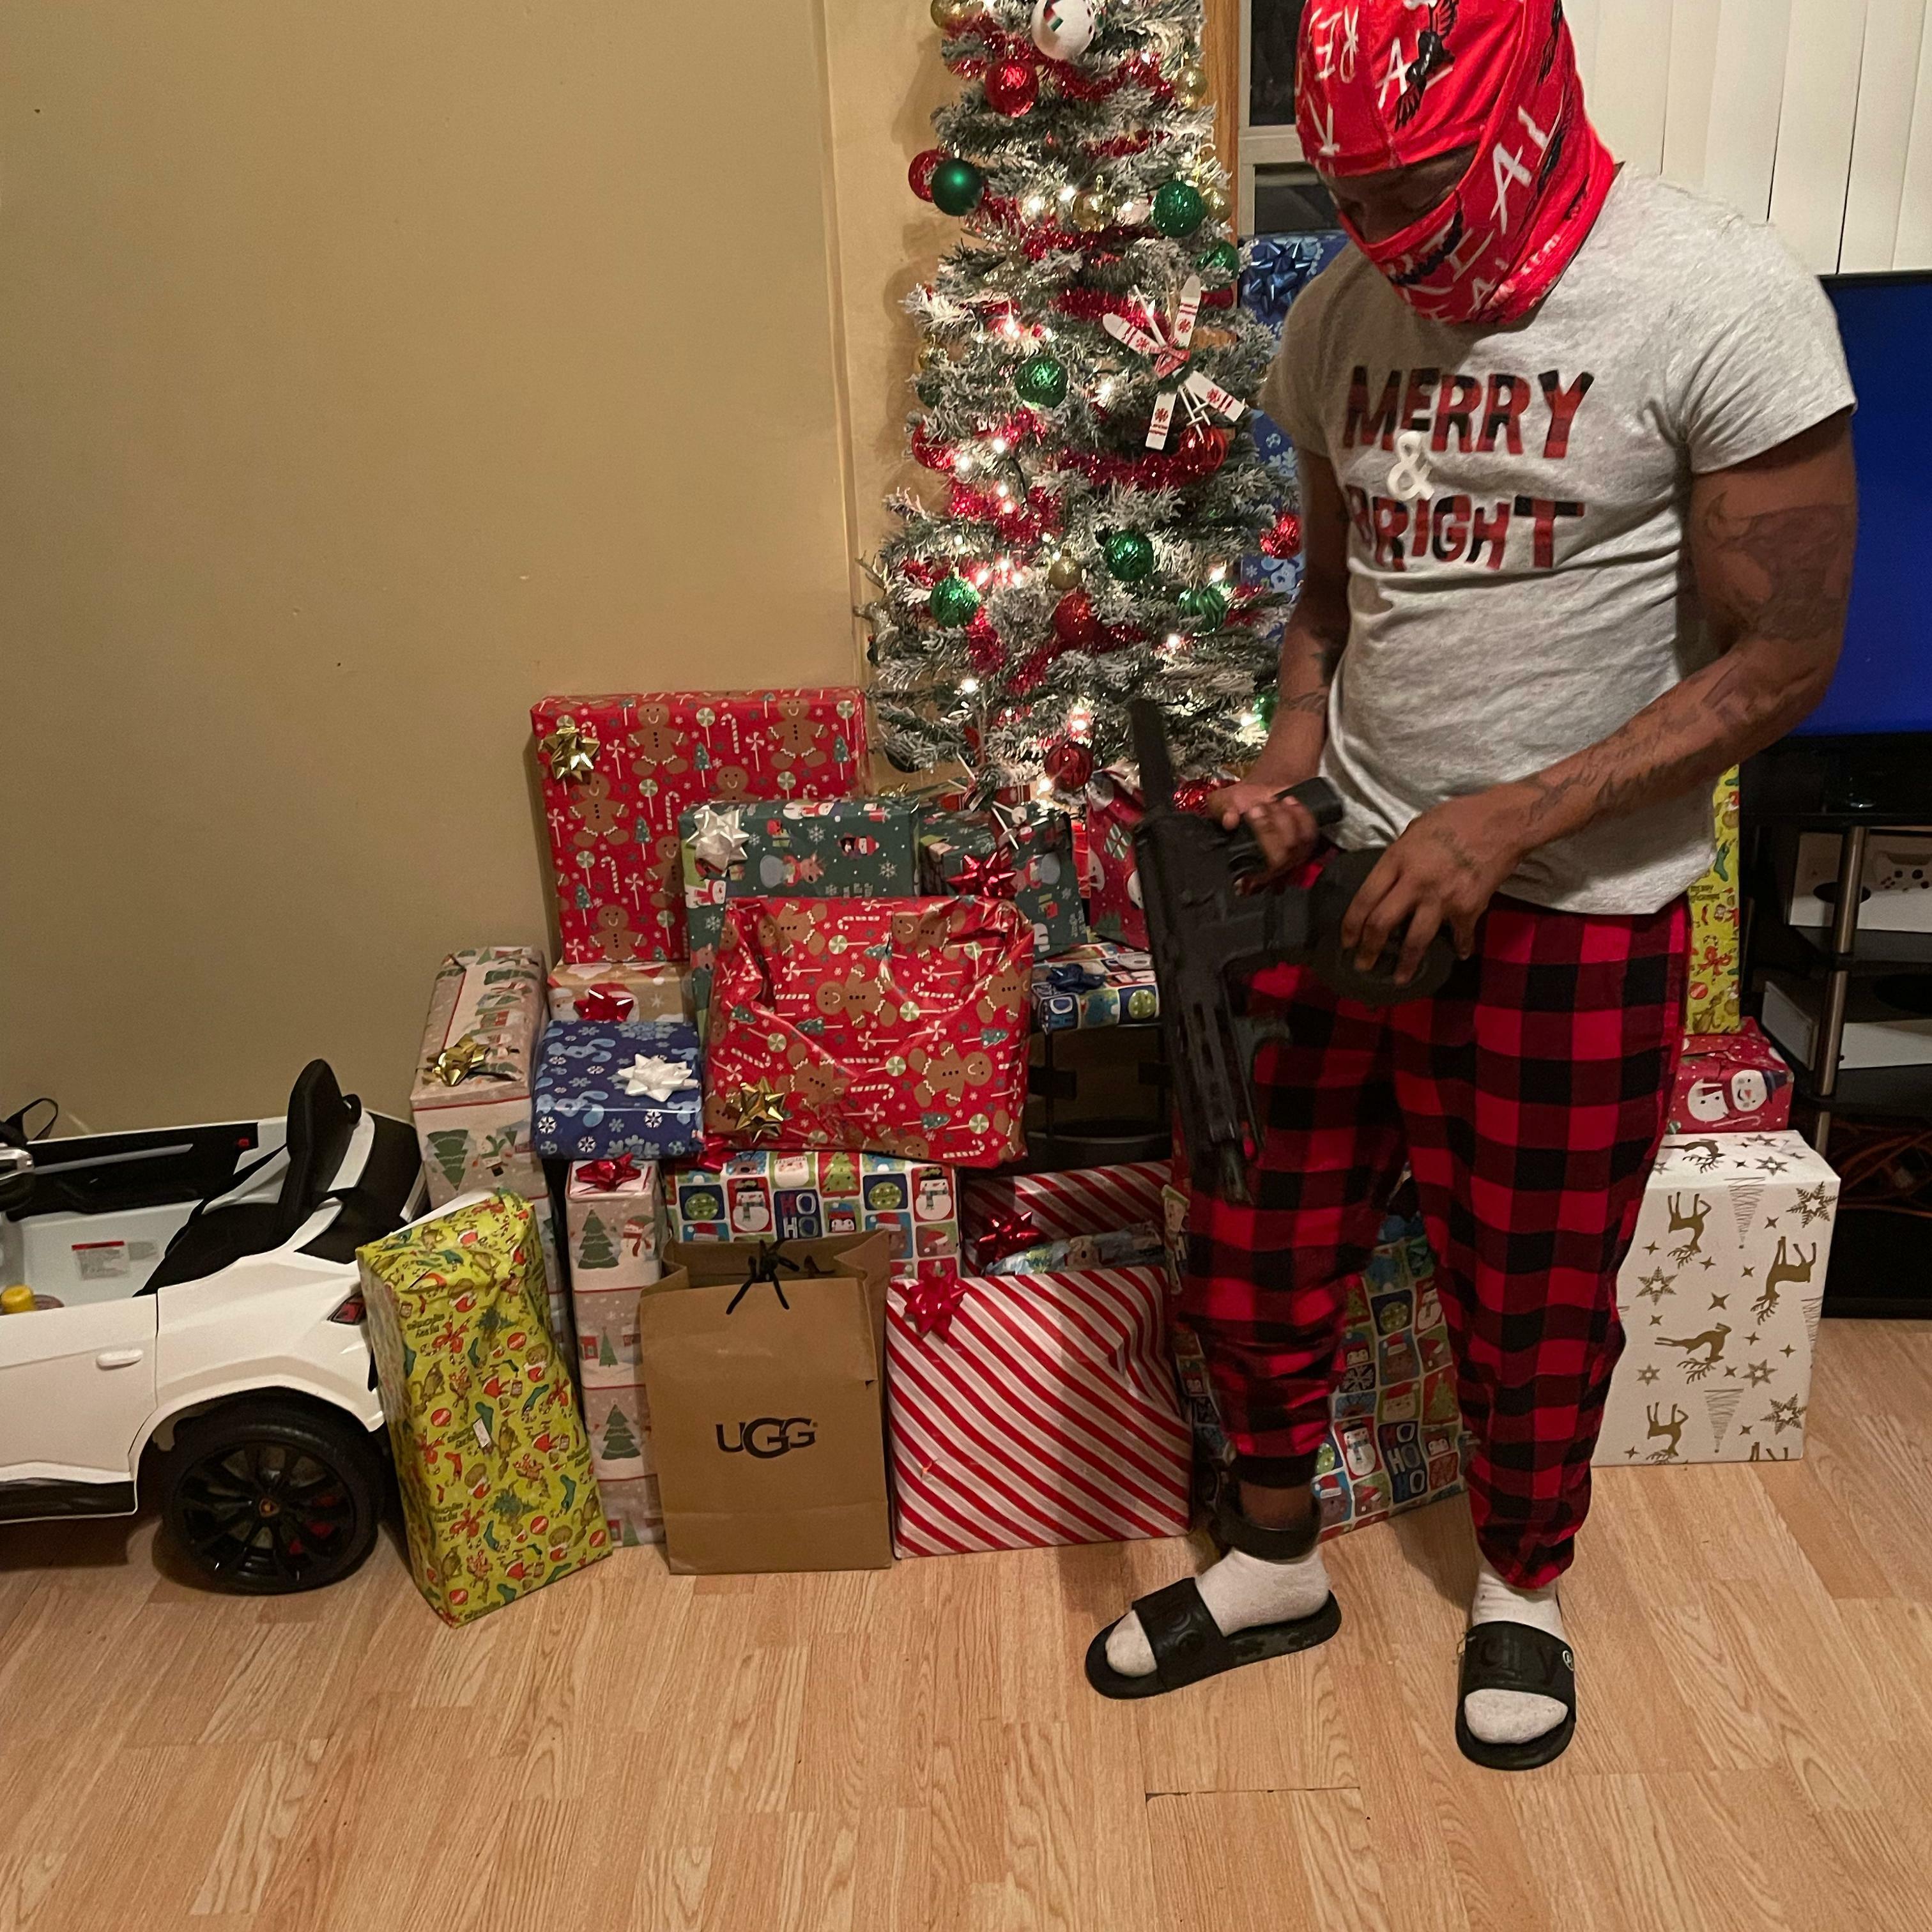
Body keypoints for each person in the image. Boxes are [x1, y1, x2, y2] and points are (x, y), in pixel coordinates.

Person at [1085, 0, 1858, 1770]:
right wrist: (1290, 760)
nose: (1376, 234)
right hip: (1344, 885)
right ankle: (1273, 1563)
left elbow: (1790, 654)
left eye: (1411, 190)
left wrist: (1515, 816)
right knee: (1255, 1243)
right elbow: (1331, 606)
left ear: (1522, 120)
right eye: (1348, 193)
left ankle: (1523, 1584)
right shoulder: (1342, 315)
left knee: (1532, 1290)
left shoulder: (1720, 300)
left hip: (1575, 915)